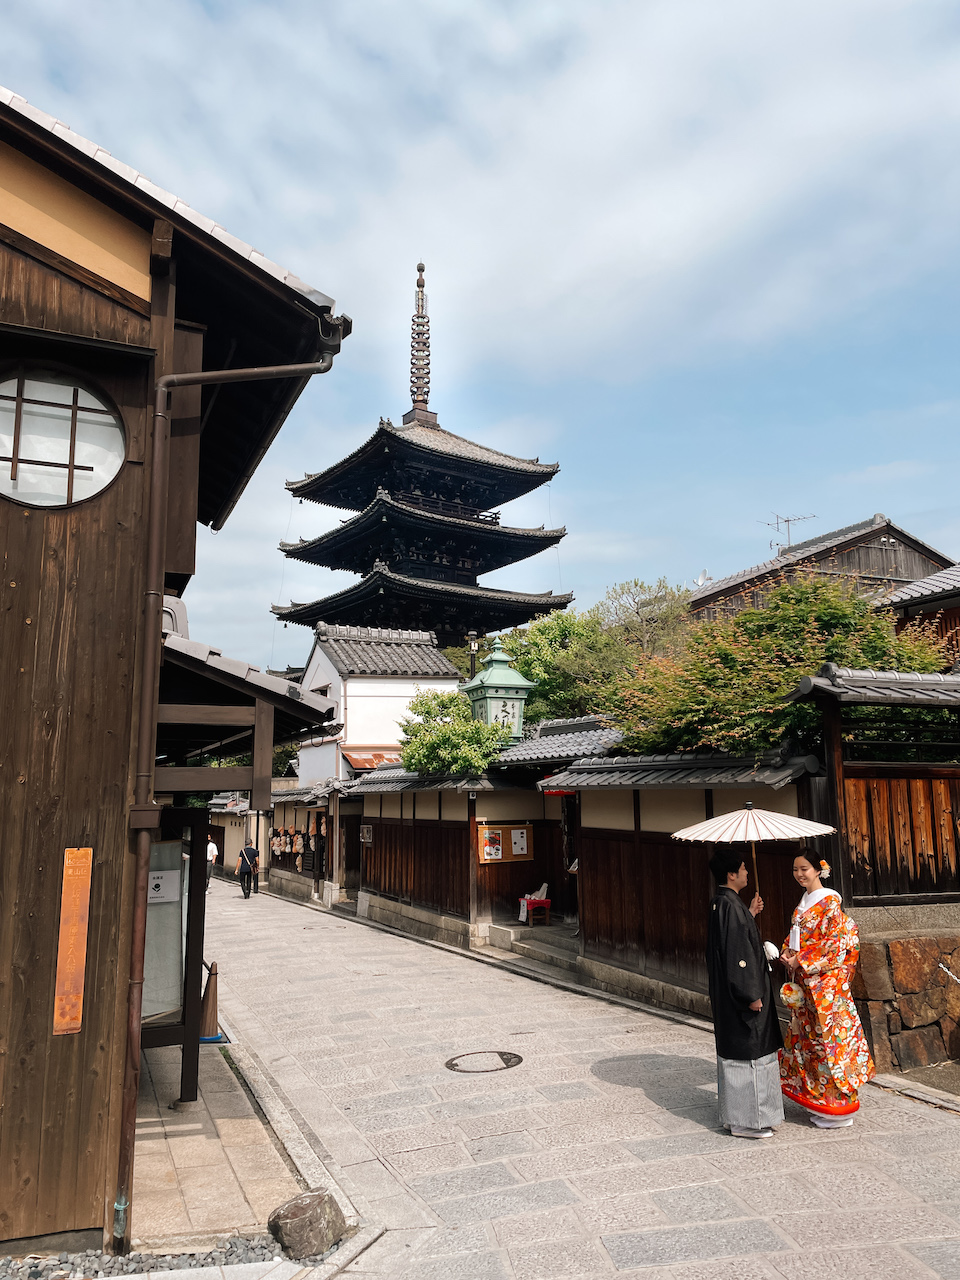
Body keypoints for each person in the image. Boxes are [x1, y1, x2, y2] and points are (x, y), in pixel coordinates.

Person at [779, 852, 875, 1127]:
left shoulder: (830, 901)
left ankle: (838, 1106)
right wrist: (788, 953)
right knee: (810, 1042)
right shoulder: (805, 901)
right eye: (795, 869)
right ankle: (818, 1099)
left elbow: (834, 942)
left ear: (819, 869)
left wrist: (802, 959)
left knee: (830, 1043)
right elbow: (796, 937)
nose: (800, 874)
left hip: (826, 986)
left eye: (805, 868)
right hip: (807, 983)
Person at [706, 847, 784, 1139]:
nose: (747, 873)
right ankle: (749, 1120)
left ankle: (735, 1117)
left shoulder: (722, 903)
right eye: (744, 868)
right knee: (751, 1054)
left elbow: (729, 943)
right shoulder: (730, 907)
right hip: (741, 998)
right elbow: (739, 956)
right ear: (732, 874)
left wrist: (749, 914)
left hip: (726, 996)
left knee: (734, 1052)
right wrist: (751, 994)